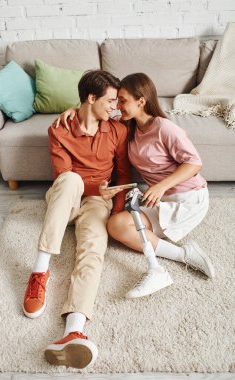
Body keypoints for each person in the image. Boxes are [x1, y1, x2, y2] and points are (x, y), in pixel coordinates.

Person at [58, 72, 215, 299]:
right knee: (116, 225)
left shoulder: (164, 128)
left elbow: (194, 163)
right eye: (116, 101)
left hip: (188, 198)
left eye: (122, 101)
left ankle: (164, 266)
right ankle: (184, 254)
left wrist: (161, 187)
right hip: (160, 199)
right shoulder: (127, 126)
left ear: (141, 101)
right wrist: (74, 110)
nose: (117, 106)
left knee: (125, 227)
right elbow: (93, 111)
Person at [23, 70, 131, 369]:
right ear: (90, 98)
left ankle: (73, 330)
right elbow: (62, 179)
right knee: (71, 179)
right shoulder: (59, 128)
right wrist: (98, 187)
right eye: (110, 101)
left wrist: (117, 210)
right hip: (66, 199)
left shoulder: (118, 130)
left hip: (99, 201)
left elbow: (123, 174)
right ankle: (39, 272)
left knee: (93, 251)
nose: (115, 107)